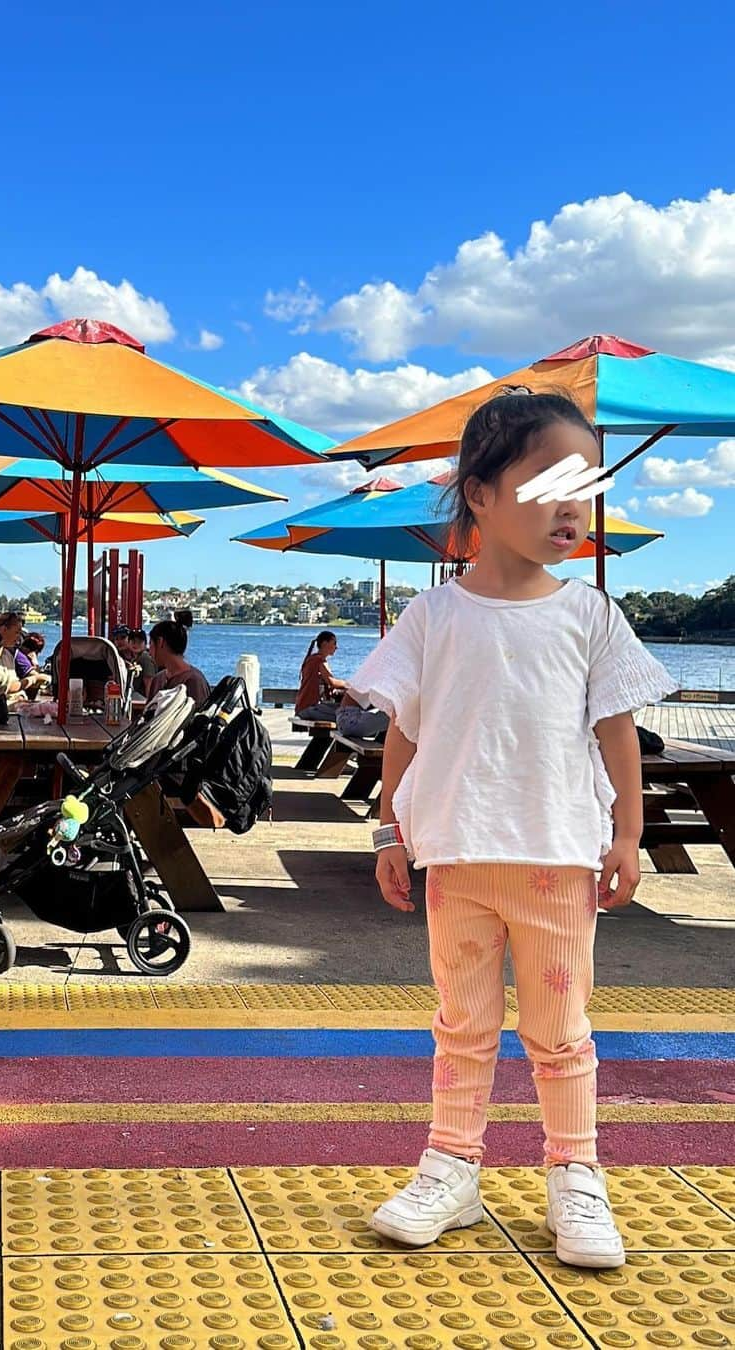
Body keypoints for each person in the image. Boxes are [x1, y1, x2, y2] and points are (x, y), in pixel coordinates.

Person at [359, 390, 674, 1270]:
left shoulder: (590, 616)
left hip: (555, 860)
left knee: (560, 1030)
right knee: (461, 1025)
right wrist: (389, 833)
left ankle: (576, 1174)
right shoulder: (433, 617)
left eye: (585, 485)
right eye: (548, 482)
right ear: (481, 496)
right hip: (456, 857)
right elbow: (405, 732)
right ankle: (451, 1167)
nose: (573, 505)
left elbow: (617, 732)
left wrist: (626, 835)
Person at [145, 620, 211, 705]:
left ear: (160, 642)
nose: (149, 651)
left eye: (151, 644)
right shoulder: (158, 679)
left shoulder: (194, 681)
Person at [295, 630, 347, 722]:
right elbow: (332, 682)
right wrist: (350, 684)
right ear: (324, 643)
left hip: (304, 707)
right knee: (345, 717)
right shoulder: (319, 660)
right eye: (334, 643)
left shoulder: (313, 659)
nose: (336, 647)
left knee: (344, 712)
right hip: (309, 707)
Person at [128, 628, 157, 697]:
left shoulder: (145, 658)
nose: (136, 645)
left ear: (145, 644)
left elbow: (149, 683)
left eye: (139, 642)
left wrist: (147, 703)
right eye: (133, 642)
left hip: (142, 699)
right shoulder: (134, 659)